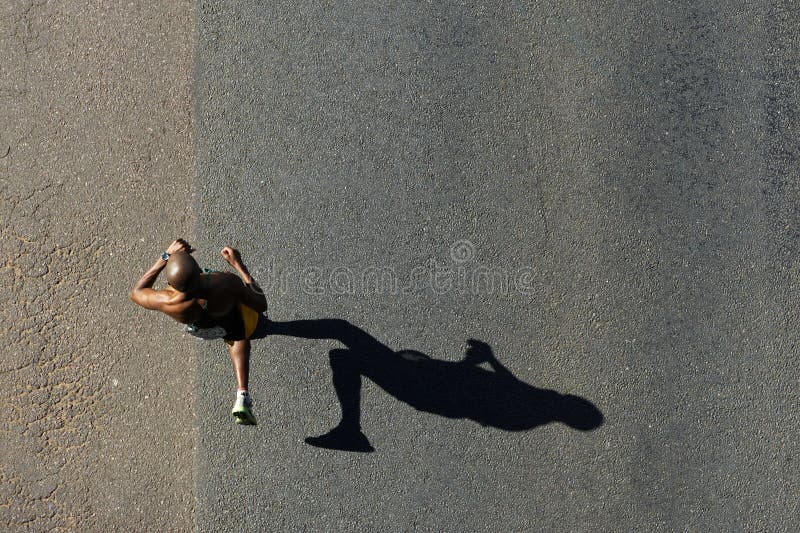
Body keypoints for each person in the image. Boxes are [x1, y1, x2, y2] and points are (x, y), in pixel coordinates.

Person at [129, 238, 267, 425]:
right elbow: (260, 303)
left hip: (201, 325)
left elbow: (136, 292)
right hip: (227, 316)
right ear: (198, 271)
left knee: (229, 333)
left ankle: (243, 394)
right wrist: (238, 265)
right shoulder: (226, 283)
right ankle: (242, 395)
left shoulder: (167, 301)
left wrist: (165, 256)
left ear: (170, 283)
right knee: (238, 336)